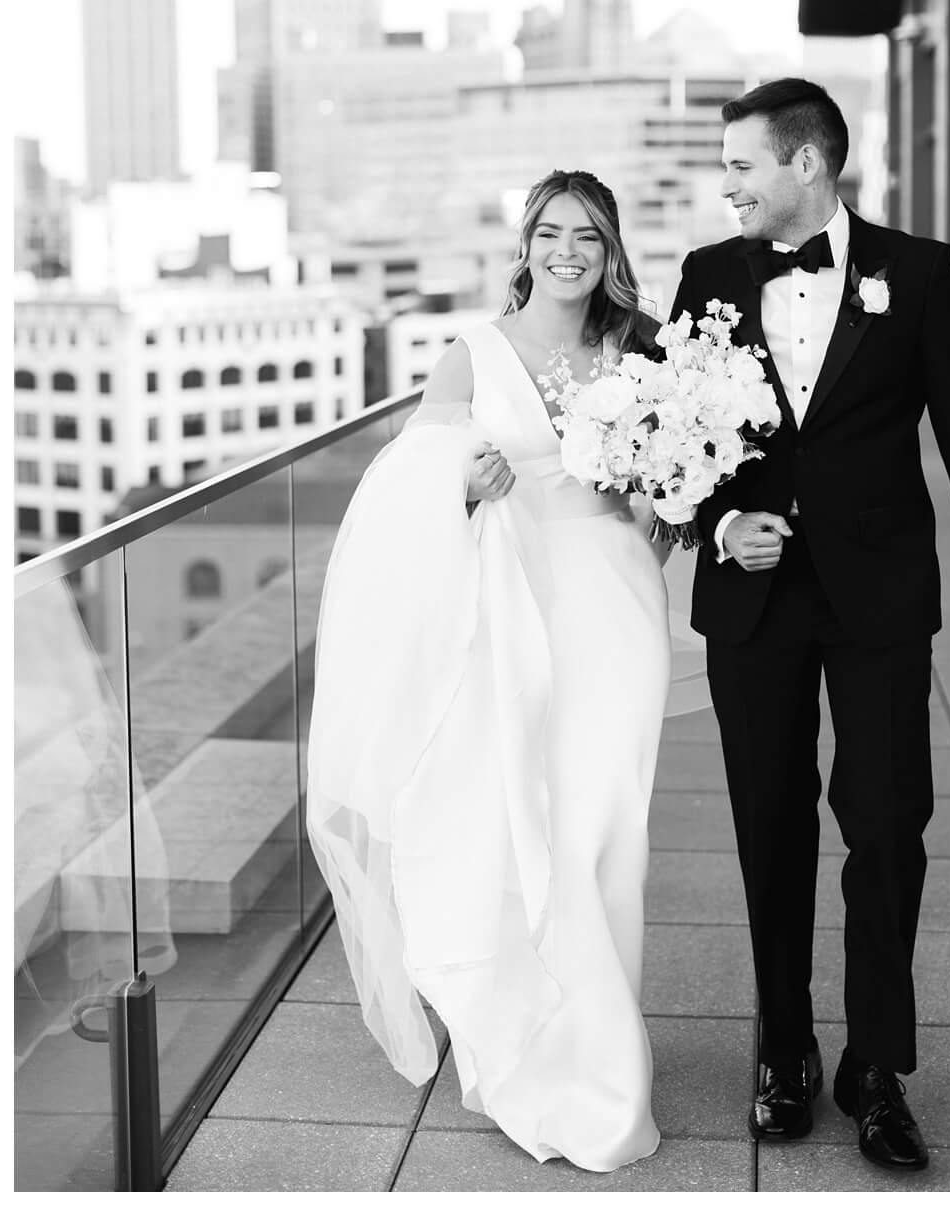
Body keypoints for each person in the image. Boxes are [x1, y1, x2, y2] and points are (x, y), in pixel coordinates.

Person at [305, 171, 678, 1172]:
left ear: (609, 251)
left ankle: (606, 1039)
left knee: (608, 827)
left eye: (587, 236)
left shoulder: (645, 349)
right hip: (514, 610)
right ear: (526, 245)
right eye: (550, 232)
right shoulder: (470, 354)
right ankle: (549, 1046)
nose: (567, 250)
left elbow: (670, 495)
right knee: (528, 819)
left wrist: (668, 510)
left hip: (617, 606)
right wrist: (461, 487)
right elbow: (396, 496)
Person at [669, 78, 950, 1170]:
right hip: (754, 598)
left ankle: (877, 1068)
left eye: (740, 166)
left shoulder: (919, 275)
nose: (726, 184)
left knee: (888, 827)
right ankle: (784, 1049)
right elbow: (671, 437)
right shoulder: (708, 276)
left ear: (804, 165)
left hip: (878, 599)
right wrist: (724, 524)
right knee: (769, 825)